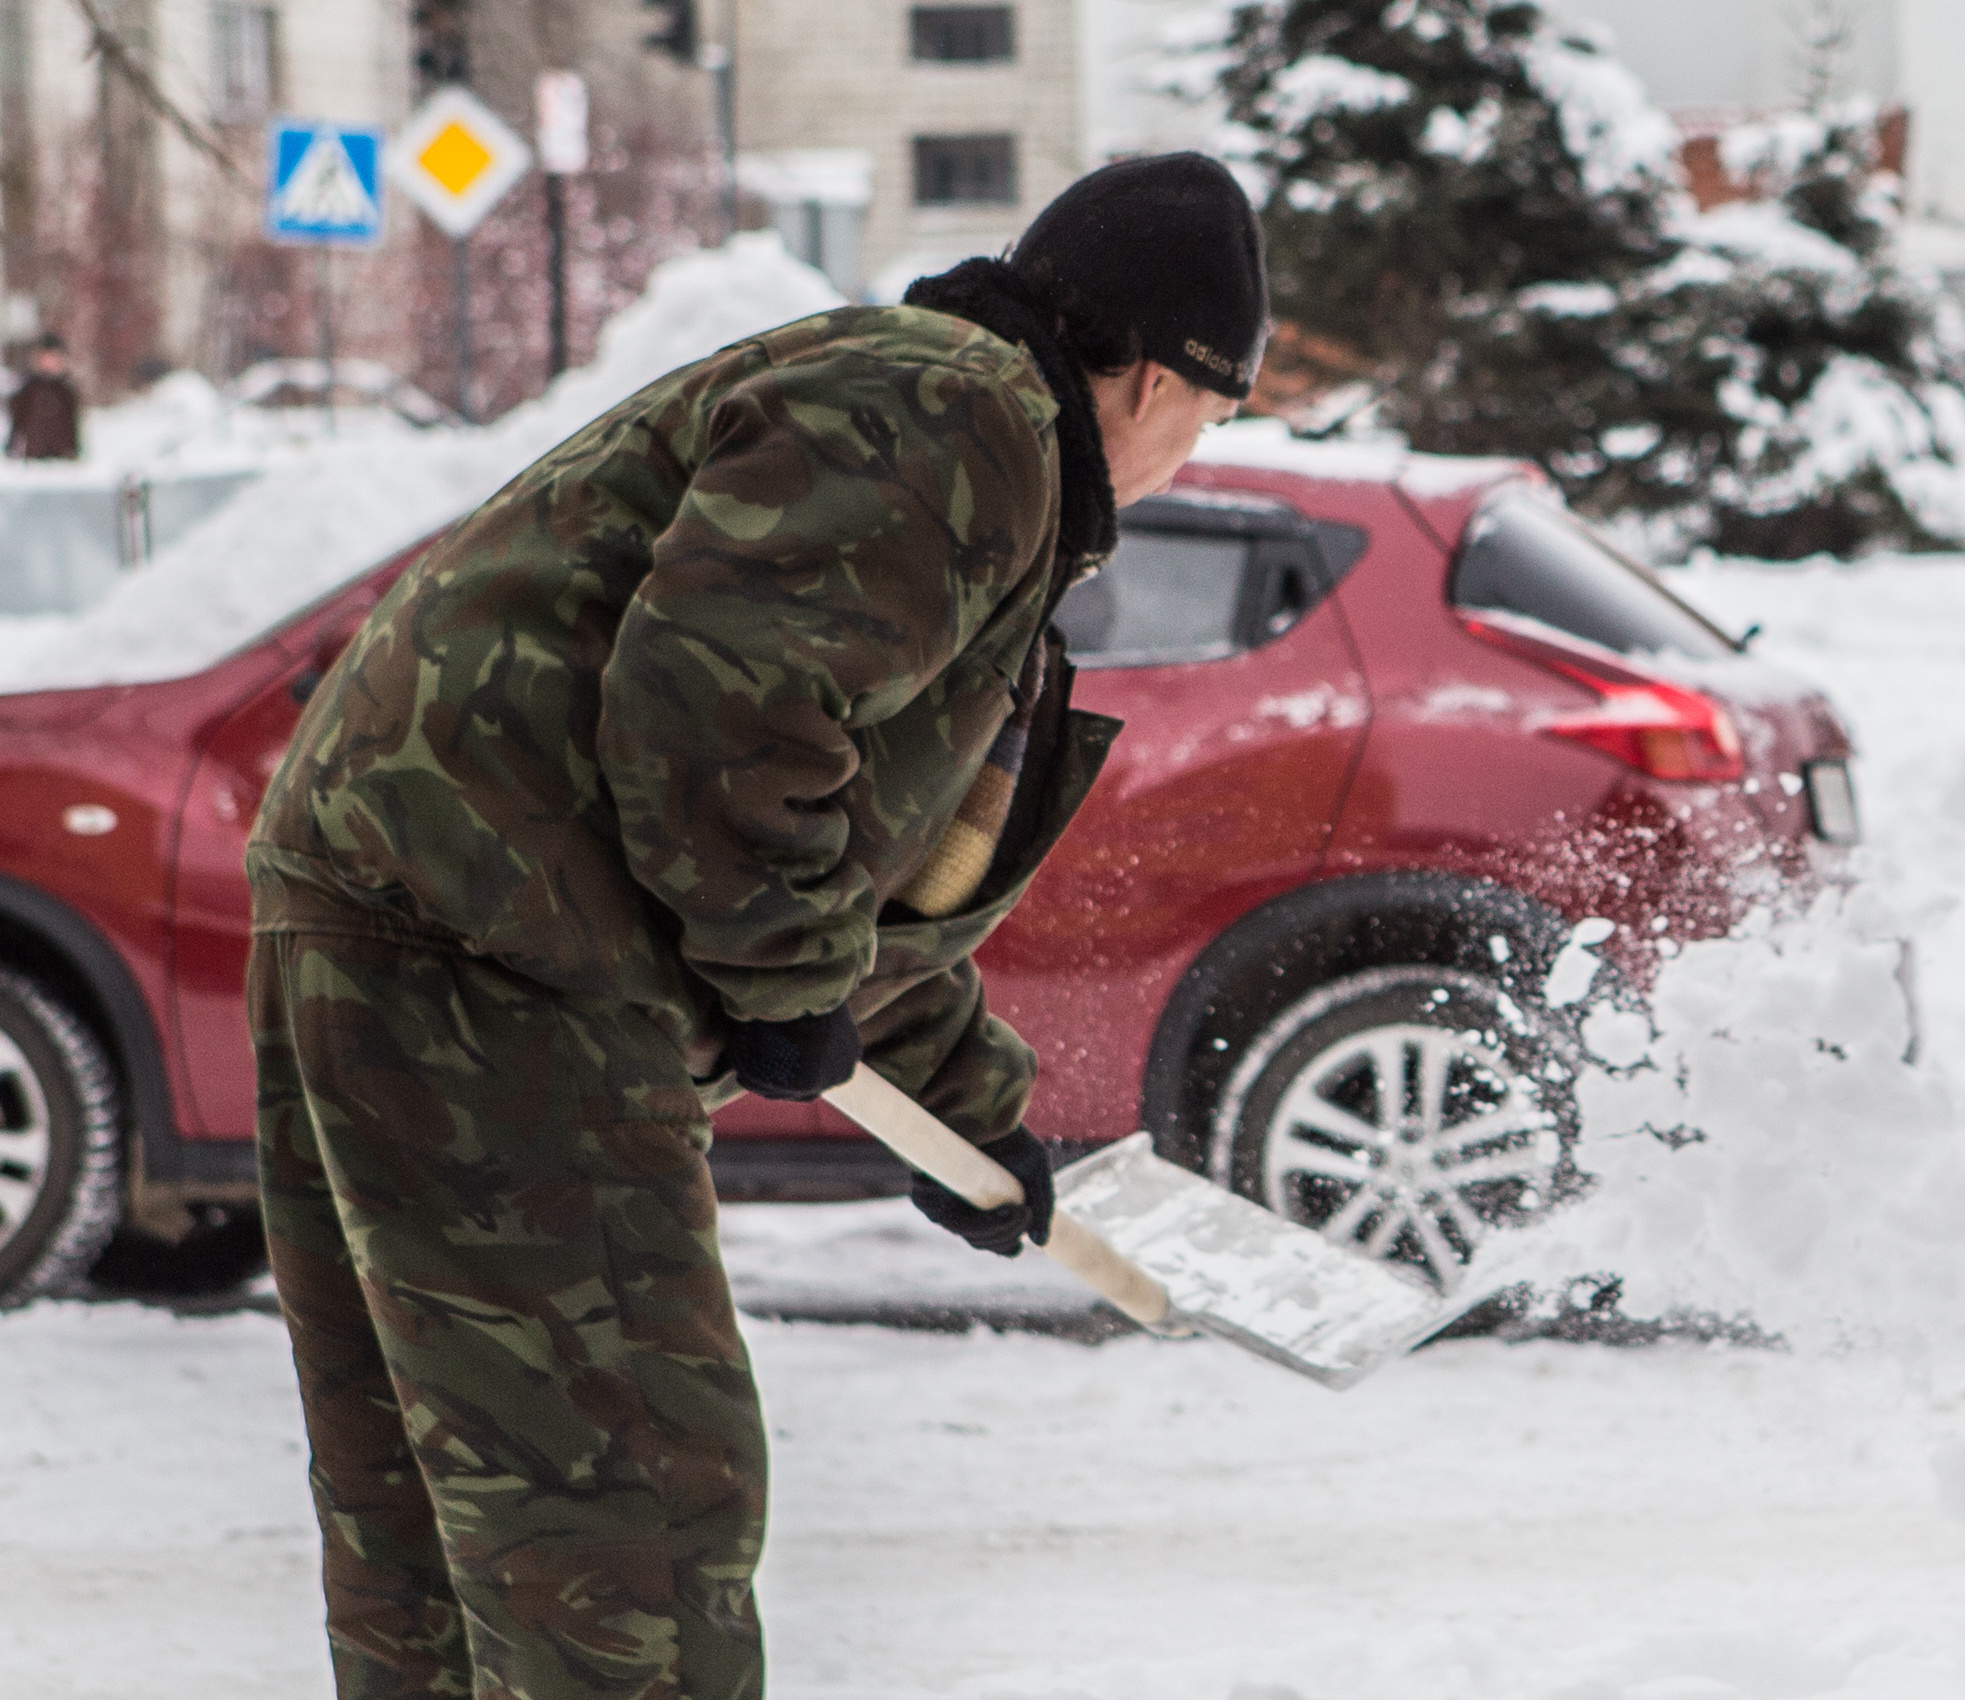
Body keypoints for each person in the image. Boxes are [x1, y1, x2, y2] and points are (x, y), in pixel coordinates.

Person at [245, 152, 1264, 1700]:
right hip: (499, 964)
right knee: (627, 1518)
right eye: (1215, 409)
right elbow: (717, 709)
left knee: (449, 1507)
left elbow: (846, 874)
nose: (1196, 455)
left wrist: (981, 1137)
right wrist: (779, 974)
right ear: (1147, 369)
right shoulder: (961, 410)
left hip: (398, 914)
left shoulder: (930, 429)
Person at [5, 332, 79, 460]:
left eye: (52, 358)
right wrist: (12, 447)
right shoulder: (29, 391)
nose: (48, 363)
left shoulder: (65, 393)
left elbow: (72, 425)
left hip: (60, 460)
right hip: (33, 458)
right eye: (44, 358)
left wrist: (74, 450)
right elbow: (18, 423)